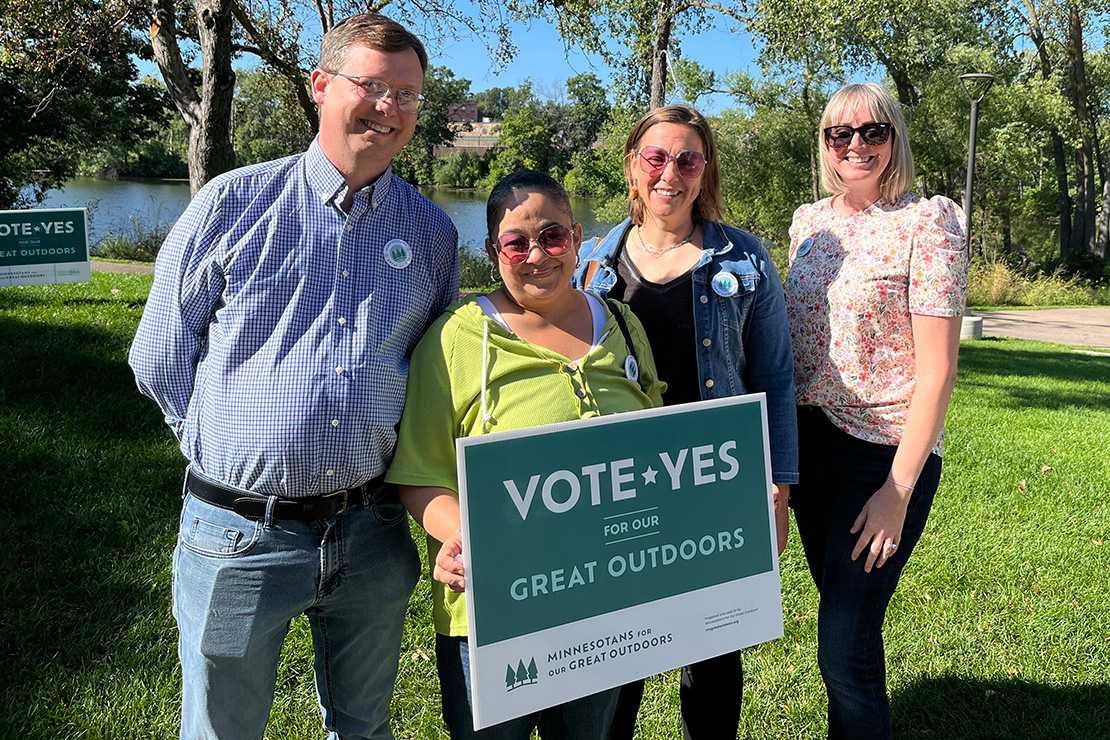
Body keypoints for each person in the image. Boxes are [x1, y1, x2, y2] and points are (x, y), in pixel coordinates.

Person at [128, 14, 459, 740]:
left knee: (364, 727)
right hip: (240, 532)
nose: (390, 108)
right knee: (222, 728)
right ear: (320, 85)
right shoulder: (232, 204)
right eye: (372, 86)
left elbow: (437, 376)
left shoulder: (432, 234)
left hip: (370, 532)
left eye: (408, 95)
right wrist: (221, 448)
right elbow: (158, 355)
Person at [386, 170, 666, 739]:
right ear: (494, 252)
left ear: (578, 238)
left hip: (604, 604)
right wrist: (460, 538)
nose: (537, 255)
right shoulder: (456, 340)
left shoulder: (622, 326)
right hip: (496, 610)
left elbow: (661, 450)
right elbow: (421, 475)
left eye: (553, 237)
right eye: (516, 242)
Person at [574, 105, 798, 740]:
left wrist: (778, 484)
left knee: (712, 654)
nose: (670, 172)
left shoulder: (745, 260)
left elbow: (775, 378)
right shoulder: (592, 262)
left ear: (705, 172)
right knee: (615, 653)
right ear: (632, 167)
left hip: (714, 484)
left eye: (688, 159)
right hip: (622, 484)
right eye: (656, 157)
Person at [785, 82, 968, 740]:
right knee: (846, 627)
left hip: (881, 454)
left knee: (844, 645)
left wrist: (897, 490)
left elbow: (940, 369)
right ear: (826, 144)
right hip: (809, 445)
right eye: (841, 134)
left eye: (872, 131)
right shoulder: (809, 222)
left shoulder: (931, 219)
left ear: (895, 138)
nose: (856, 144)